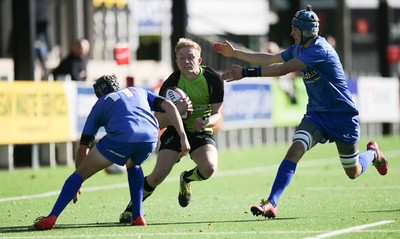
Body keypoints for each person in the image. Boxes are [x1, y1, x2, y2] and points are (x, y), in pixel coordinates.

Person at [212, 5, 388, 219]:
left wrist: (246, 73)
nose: (291, 32)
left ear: (306, 31)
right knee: (295, 149)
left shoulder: (319, 50)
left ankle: (373, 154)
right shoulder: (300, 48)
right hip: (317, 115)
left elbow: (283, 69)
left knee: (353, 172)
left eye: (295, 29)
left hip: (342, 116)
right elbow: (272, 59)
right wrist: (236, 53)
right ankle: (270, 203)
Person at [29, 75, 190, 230]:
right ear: (117, 86)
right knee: (134, 164)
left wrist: (80, 179)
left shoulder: (100, 103)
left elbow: (84, 145)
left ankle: (51, 218)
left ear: (98, 94)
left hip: (122, 137)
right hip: (150, 137)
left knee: (80, 173)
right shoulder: (137, 90)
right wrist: (183, 137)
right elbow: (169, 106)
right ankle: (137, 215)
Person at [119, 38, 224, 222]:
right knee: (158, 175)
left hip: (200, 132)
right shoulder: (171, 84)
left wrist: (207, 122)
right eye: (181, 58)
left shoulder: (213, 79)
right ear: (176, 62)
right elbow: (157, 121)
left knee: (209, 168)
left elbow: (218, 114)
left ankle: (186, 179)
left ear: (199, 60)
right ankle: (131, 208)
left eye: (190, 57)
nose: (186, 61)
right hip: (175, 131)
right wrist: (178, 112)